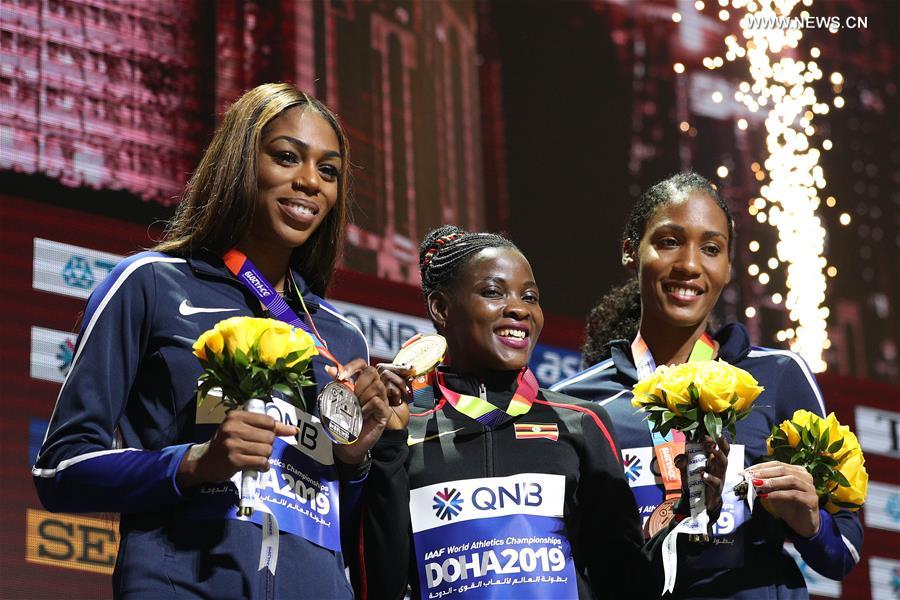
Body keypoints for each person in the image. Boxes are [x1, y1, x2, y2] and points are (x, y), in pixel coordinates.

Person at [32, 83, 396, 599]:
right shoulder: (150, 284)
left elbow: (348, 532)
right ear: (241, 162)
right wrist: (194, 463)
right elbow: (59, 469)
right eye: (288, 157)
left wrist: (355, 460)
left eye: (329, 170)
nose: (310, 182)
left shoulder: (340, 336)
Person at [350, 225, 728, 600]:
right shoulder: (406, 427)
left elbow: (626, 582)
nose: (518, 309)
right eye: (493, 293)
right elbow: (380, 586)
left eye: (530, 297)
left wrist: (694, 509)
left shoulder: (581, 422)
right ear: (441, 308)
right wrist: (388, 445)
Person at [552, 172, 864, 599]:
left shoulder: (778, 376)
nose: (690, 264)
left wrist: (810, 523)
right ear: (630, 251)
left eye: (711, 249)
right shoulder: (578, 403)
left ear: (728, 266)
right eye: (668, 242)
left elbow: (841, 553)